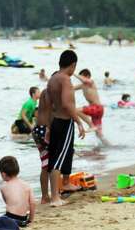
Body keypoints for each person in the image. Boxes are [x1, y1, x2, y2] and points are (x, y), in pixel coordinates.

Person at [46, 50, 87, 206]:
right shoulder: (65, 80)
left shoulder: (53, 79)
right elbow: (66, 104)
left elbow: (49, 105)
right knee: (58, 158)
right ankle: (55, 197)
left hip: (55, 121)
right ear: (73, 65)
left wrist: (49, 127)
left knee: (61, 154)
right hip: (64, 122)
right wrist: (79, 122)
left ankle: (62, 186)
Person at [0, 156, 36, 228]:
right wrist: (30, 220)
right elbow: (33, 203)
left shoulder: (3, 186)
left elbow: (7, 202)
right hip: (23, 220)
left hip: (10, 219)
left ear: (3, 174)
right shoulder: (27, 185)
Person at [74, 69, 108, 144]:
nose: (81, 79)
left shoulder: (91, 82)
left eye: (82, 76)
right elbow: (70, 89)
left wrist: (73, 73)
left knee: (75, 110)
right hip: (96, 110)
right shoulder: (82, 85)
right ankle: (109, 145)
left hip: (97, 108)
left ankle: (91, 125)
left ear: (88, 76)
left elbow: (86, 81)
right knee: (98, 134)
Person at [32, 88, 52, 204]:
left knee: (47, 163)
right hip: (42, 130)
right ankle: (45, 196)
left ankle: (46, 195)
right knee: (46, 164)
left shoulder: (46, 92)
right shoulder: (49, 93)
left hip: (39, 130)